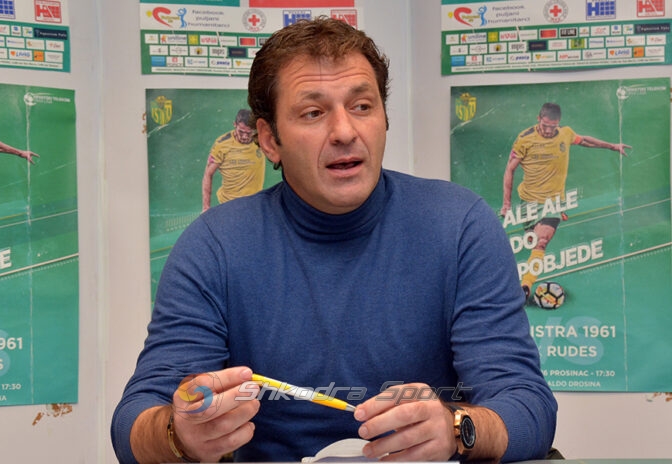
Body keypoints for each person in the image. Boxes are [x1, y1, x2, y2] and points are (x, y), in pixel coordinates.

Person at [112, 17, 557, 463]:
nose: (345, 131)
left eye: (362, 106)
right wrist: (179, 433)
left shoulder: (460, 226)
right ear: (269, 140)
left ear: (384, 119)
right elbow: (134, 422)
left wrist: (458, 428)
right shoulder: (215, 245)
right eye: (313, 113)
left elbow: (528, 406)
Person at [500, 102, 631, 301]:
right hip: (528, 201)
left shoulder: (565, 134)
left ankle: (525, 287)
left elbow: (584, 140)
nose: (548, 130)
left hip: (554, 203)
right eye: (545, 125)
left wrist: (612, 146)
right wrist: (506, 204)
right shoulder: (524, 139)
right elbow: (510, 169)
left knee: (542, 242)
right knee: (532, 242)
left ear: (558, 123)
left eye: (552, 127)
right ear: (538, 119)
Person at [202, 109, 266, 212]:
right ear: (234, 125)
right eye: (241, 132)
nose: (244, 136)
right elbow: (208, 174)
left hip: (253, 204)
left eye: (248, 133)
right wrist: (206, 207)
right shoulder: (222, 144)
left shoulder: (260, 140)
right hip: (229, 204)